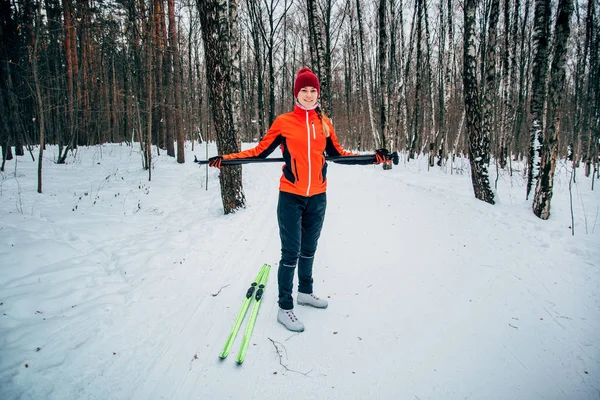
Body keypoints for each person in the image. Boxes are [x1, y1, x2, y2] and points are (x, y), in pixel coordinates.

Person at [208, 67, 387, 332]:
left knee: (309, 249)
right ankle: (285, 306)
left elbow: (340, 155)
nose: (308, 94)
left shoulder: (324, 123)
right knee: (290, 252)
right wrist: (226, 159)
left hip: (317, 196)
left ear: (318, 93)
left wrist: (373, 157)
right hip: (291, 196)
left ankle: (305, 291)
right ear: (296, 93)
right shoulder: (284, 122)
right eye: (303, 90)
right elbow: (259, 152)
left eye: (312, 90)